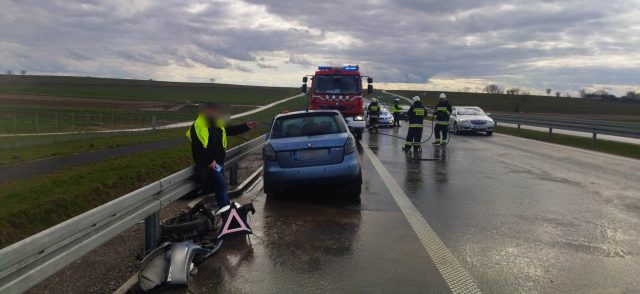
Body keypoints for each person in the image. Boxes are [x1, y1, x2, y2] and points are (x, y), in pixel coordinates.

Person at [186, 102, 257, 209]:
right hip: (211, 164)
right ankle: (227, 215)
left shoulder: (216, 122)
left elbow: (229, 130)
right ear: (207, 111)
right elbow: (197, 147)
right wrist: (210, 161)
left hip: (218, 163)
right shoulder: (199, 125)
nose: (218, 113)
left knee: (222, 188)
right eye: (216, 111)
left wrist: (245, 126)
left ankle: (226, 213)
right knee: (221, 189)